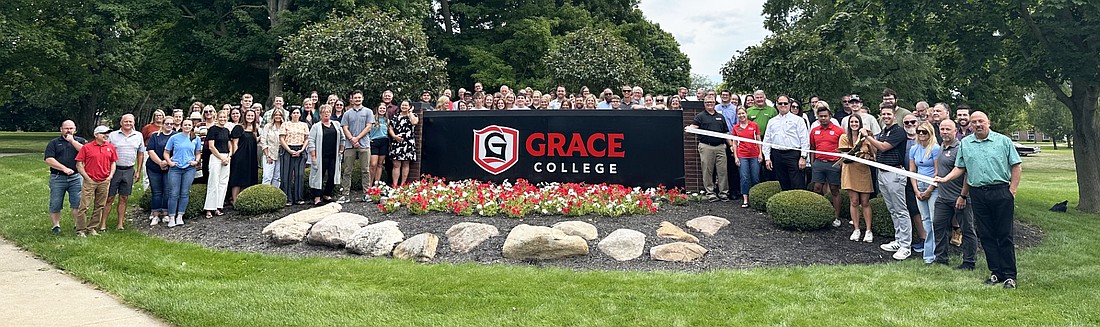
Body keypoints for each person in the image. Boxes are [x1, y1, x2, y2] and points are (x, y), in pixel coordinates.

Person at [934, 111, 1022, 289]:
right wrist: (944, 179)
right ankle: (995, 272)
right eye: (974, 122)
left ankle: (1009, 275)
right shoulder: (966, 144)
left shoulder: (1003, 141)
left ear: (988, 122)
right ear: (971, 125)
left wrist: (1012, 190)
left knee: (1004, 234)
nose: (978, 124)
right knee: (987, 234)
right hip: (978, 194)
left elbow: (1016, 165)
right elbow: (960, 168)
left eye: (981, 121)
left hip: (1001, 192)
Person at [864, 106, 913, 260]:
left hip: (895, 173)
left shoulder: (898, 131)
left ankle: (906, 245)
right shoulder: (884, 132)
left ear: (894, 116)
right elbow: (876, 151)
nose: (885, 116)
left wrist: (867, 137)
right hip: (883, 173)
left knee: (900, 210)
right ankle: (898, 240)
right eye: (883, 114)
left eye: (888, 114)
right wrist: (872, 138)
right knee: (892, 209)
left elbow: (884, 148)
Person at [930, 120, 977, 269]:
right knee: (938, 226)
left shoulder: (961, 148)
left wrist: (963, 196)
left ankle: (969, 262)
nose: (944, 132)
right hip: (943, 198)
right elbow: (939, 171)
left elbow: (967, 174)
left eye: (948, 129)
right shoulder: (941, 147)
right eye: (942, 129)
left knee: (967, 230)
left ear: (955, 130)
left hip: (960, 198)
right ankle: (941, 258)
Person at [684, 97, 733, 202]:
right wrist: (690, 128)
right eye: (707, 102)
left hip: (720, 147)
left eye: (711, 102)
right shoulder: (700, 116)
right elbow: (694, 126)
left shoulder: (720, 117)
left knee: (723, 171)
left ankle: (723, 193)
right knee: (707, 171)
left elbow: (726, 133)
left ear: (715, 103)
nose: (709, 104)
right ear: (704, 104)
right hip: (706, 147)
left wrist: (731, 145)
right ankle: (710, 193)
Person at [103, 114, 145, 231]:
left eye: (130, 122)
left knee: (124, 198)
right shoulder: (113, 135)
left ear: (134, 123)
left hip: (129, 170)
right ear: (121, 123)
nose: (128, 124)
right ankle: (103, 224)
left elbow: (140, 154)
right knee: (109, 197)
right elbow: (106, 152)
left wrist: (138, 171)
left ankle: (120, 224)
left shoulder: (138, 135)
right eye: (125, 121)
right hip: (114, 170)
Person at [44, 120, 87, 234]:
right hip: (58, 177)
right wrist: (63, 168)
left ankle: (78, 225)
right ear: (61, 129)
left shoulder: (80, 141)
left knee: (77, 202)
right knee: (55, 202)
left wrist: (72, 141)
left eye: (71, 128)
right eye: (66, 128)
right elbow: (48, 159)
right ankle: (56, 226)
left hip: (76, 177)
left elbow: (86, 152)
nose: (68, 131)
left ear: (75, 129)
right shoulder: (53, 143)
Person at [74, 125, 117, 237]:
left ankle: (92, 228)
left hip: (104, 181)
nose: (106, 135)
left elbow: (113, 162)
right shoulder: (86, 147)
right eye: (104, 133)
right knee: (84, 206)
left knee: (100, 205)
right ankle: (81, 230)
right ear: (96, 135)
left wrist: (110, 176)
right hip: (90, 180)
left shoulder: (110, 147)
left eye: (107, 133)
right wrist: (86, 177)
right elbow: (79, 164)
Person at [839, 114, 876, 242]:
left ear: (860, 123)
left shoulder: (866, 139)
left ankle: (868, 230)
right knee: (854, 201)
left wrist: (867, 155)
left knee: (865, 202)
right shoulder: (844, 138)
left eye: (856, 122)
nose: (854, 124)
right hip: (850, 172)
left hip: (863, 172)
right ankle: (856, 229)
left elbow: (874, 155)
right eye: (852, 122)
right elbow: (844, 156)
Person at [909, 121, 941, 263]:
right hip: (919, 186)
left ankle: (934, 254)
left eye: (924, 132)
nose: (921, 134)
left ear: (930, 133)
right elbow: (912, 171)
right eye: (919, 132)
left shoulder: (935, 148)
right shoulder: (914, 149)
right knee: (925, 220)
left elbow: (937, 172)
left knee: (934, 220)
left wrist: (929, 190)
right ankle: (928, 255)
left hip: (932, 187)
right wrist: (916, 190)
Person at [762, 95, 810, 191]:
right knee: (783, 183)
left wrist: (803, 157)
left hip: (793, 154)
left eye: (785, 103)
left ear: (789, 104)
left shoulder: (798, 120)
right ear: (776, 105)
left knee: (797, 184)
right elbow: (767, 140)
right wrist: (767, 158)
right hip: (777, 155)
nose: (783, 105)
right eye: (780, 103)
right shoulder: (772, 121)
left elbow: (804, 139)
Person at [809, 106, 846, 226]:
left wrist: (840, 164)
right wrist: (813, 163)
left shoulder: (838, 130)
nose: (823, 118)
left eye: (825, 116)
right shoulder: (814, 130)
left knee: (834, 190)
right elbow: (812, 148)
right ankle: (819, 212)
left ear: (830, 116)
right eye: (821, 116)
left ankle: (836, 217)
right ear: (818, 117)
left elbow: (843, 149)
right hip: (819, 163)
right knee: (817, 188)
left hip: (833, 164)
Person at [163, 119, 201, 227]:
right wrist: (169, 162)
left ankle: (180, 216)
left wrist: (196, 161)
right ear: (181, 126)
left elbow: (198, 153)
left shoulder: (195, 138)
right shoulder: (174, 138)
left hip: (189, 168)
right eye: (185, 125)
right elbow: (166, 152)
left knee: (185, 192)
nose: (187, 126)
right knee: (173, 193)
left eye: (189, 125)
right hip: (176, 168)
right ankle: (171, 217)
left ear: (192, 126)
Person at [341, 90, 375, 202]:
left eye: (359, 97)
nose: (357, 99)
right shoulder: (347, 113)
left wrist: (357, 138)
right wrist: (352, 139)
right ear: (352, 99)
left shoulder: (368, 112)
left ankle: (366, 193)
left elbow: (369, 127)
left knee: (365, 170)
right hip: (349, 145)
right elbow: (344, 127)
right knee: (347, 170)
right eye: (355, 98)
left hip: (364, 144)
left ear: (362, 98)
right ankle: (345, 194)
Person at [309, 105, 346, 205]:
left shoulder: (336, 124)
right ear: (320, 114)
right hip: (321, 156)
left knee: (333, 175)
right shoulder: (316, 127)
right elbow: (311, 141)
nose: (326, 114)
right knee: (318, 176)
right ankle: (317, 198)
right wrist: (313, 156)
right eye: (324, 112)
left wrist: (341, 149)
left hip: (334, 156)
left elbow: (343, 138)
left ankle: (327, 194)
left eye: (328, 112)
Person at [145, 117, 176, 225]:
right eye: (167, 123)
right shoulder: (155, 136)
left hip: (170, 167)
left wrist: (167, 162)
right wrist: (160, 163)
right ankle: (155, 214)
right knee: (156, 191)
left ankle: (166, 213)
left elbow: (178, 152)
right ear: (162, 124)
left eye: (171, 124)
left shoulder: (176, 136)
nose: (169, 125)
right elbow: (150, 150)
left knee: (167, 191)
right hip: (154, 167)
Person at [203, 110, 233, 218]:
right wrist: (221, 158)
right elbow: (211, 146)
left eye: (224, 118)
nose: (222, 119)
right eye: (220, 117)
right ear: (217, 117)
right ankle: (209, 208)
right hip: (216, 157)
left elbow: (230, 145)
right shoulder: (212, 129)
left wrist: (229, 156)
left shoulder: (226, 130)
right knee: (213, 182)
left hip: (226, 157)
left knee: (223, 183)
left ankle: (218, 207)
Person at [731, 108, 761, 208]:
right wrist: (736, 157)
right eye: (739, 114)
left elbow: (758, 140)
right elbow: (734, 144)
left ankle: (755, 198)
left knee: (755, 177)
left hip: (754, 155)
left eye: (743, 113)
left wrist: (760, 154)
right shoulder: (736, 128)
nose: (741, 115)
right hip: (742, 155)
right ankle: (745, 199)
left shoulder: (754, 125)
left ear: (746, 114)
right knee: (744, 177)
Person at [229, 110, 260, 204]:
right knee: (238, 179)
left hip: (251, 157)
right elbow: (235, 143)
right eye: (248, 115)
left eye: (252, 115)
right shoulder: (239, 128)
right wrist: (236, 156)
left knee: (247, 179)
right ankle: (234, 200)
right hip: (240, 156)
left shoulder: (255, 129)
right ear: (244, 116)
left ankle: (242, 200)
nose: (250, 117)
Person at [281, 108, 310, 205]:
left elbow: (306, 138)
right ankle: (288, 198)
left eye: (297, 113)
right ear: (290, 114)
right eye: (294, 113)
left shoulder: (304, 125)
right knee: (286, 175)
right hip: (287, 149)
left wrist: (302, 150)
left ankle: (299, 198)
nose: (296, 114)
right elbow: (281, 139)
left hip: (300, 150)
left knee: (299, 175)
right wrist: (289, 150)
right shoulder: (285, 124)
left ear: (300, 114)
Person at [388, 100, 419, 186]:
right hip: (397, 141)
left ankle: (402, 184)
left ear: (409, 106)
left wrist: (410, 113)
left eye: (406, 105)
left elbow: (414, 122)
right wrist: (394, 136)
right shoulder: (395, 116)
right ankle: (395, 185)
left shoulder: (413, 115)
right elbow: (390, 127)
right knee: (396, 165)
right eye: (402, 105)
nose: (404, 107)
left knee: (406, 164)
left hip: (408, 143)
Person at [260, 109, 285, 188]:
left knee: (277, 177)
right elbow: (263, 141)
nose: (278, 117)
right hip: (269, 155)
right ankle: (265, 196)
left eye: (279, 115)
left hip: (280, 155)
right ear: (273, 116)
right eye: (276, 115)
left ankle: (275, 196)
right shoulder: (268, 126)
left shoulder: (285, 126)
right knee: (267, 176)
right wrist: (267, 155)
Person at [369, 102, 390, 187]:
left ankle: (376, 184)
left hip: (384, 141)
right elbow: (367, 129)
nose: (382, 110)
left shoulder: (387, 120)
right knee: (373, 164)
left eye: (384, 108)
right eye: (380, 108)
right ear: (377, 109)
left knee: (380, 164)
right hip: (374, 141)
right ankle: (369, 184)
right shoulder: (372, 119)